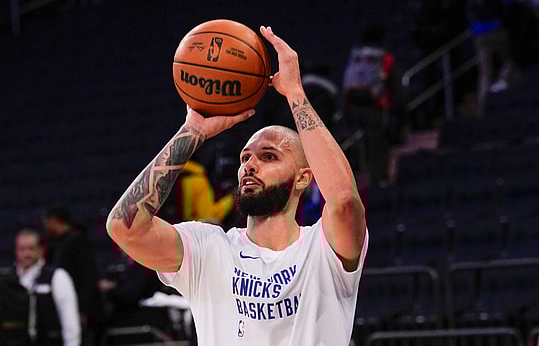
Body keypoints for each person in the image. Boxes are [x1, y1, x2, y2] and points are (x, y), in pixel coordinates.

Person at [106, 26, 368, 346]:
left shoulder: (323, 247)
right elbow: (124, 228)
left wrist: (296, 93)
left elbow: (343, 200)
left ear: (303, 177)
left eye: (269, 156)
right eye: (246, 158)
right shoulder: (209, 248)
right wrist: (193, 130)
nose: (250, 165)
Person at [341, 23, 406, 185]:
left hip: (354, 110)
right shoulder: (386, 58)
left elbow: (346, 88)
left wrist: (347, 118)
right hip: (376, 111)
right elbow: (397, 91)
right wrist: (402, 117)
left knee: (362, 149)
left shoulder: (356, 57)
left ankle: (358, 186)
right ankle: (378, 186)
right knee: (378, 149)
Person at [43, 206, 104, 346]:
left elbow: (88, 278)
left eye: (46, 221)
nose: (45, 225)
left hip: (85, 310)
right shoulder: (56, 243)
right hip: (67, 307)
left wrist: (83, 310)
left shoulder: (77, 242)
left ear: (54, 221)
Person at [14, 228, 81, 346]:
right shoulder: (10, 280)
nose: (26, 254)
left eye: (31, 248)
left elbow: (70, 321)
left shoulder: (57, 276)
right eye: (22, 249)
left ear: (41, 250)